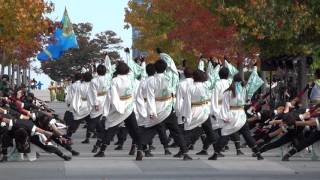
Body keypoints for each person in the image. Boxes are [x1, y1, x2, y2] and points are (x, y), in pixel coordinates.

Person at [145, 48, 191, 160]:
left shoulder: (150, 81)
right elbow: (172, 66)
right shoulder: (170, 78)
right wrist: (163, 54)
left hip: (157, 107)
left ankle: (141, 149)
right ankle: (184, 152)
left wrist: (151, 111)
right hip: (168, 108)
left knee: (150, 130)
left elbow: (150, 98)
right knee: (175, 131)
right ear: (166, 68)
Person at [210, 67, 264, 160]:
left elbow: (225, 106)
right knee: (247, 135)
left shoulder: (228, 92)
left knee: (225, 133)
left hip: (232, 115)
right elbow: (247, 101)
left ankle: (215, 154)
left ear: (233, 80)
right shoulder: (244, 90)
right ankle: (258, 154)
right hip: (241, 114)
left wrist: (223, 116)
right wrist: (255, 68)